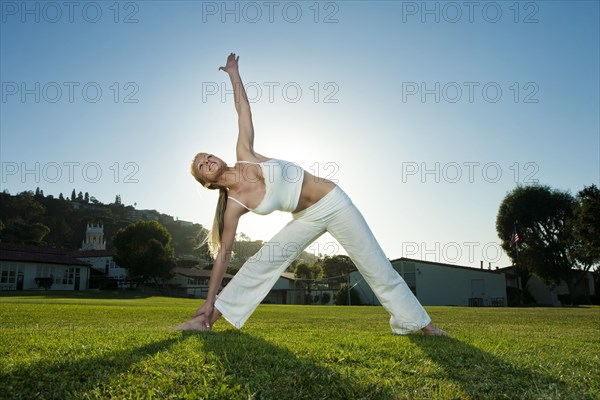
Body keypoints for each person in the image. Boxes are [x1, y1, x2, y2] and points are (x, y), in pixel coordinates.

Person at [174, 53, 446, 336]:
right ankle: (206, 319)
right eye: (201, 166)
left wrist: (233, 74)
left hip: (334, 202)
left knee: (375, 265)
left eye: (206, 156)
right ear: (207, 183)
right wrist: (209, 298)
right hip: (306, 218)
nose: (207, 161)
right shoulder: (234, 207)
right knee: (261, 262)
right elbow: (224, 256)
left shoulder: (245, 154)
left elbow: (244, 111)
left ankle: (423, 325)